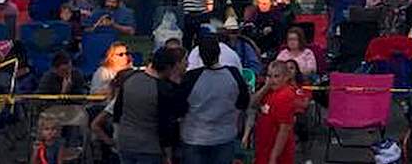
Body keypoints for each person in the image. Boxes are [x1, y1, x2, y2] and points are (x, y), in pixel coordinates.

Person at [176, 35, 250, 164]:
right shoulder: (233, 74)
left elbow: (180, 107)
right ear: (219, 52)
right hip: (224, 136)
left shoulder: (191, 77)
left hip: (194, 136)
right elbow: (243, 102)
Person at [107, 46, 183, 164]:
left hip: (125, 142)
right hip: (149, 147)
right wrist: (168, 153)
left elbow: (117, 111)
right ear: (168, 67)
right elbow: (166, 125)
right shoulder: (164, 90)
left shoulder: (130, 78)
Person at [253, 61, 300, 164]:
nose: (272, 80)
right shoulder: (270, 91)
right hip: (264, 147)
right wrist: (265, 87)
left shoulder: (285, 96)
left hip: (277, 151)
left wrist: (274, 156)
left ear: (286, 77)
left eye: (276, 76)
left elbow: (284, 129)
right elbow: (253, 104)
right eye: (269, 76)